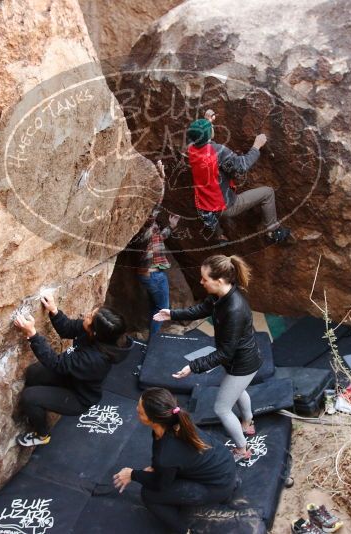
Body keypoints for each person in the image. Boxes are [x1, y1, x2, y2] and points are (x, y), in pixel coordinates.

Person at [153, 255, 261, 461]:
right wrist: (172, 314)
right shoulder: (220, 296)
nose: (201, 282)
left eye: (204, 279)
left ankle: (242, 450)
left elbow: (224, 353)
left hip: (242, 363)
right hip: (239, 360)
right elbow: (201, 309)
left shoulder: (234, 309)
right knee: (238, 391)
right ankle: (248, 422)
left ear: (219, 281)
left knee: (221, 408)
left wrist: (193, 367)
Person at [112, 387, 237, 534]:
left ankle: (184, 531)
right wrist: (156, 467)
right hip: (225, 468)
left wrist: (132, 474)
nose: (136, 409)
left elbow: (161, 485)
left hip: (218, 486)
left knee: (149, 495)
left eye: (140, 412)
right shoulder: (178, 424)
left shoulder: (167, 453)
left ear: (152, 419)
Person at [13, 294, 130, 446]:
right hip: (72, 378)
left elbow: (55, 363)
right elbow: (68, 328)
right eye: (93, 312)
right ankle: (39, 407)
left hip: (78, 397)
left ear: (94, 332)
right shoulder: (96, 332)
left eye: (90, 317)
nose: (87, 315)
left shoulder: (94, 360)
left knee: (29, 396)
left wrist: (32, 334)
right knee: (33, 373)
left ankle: (42, 435)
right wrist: (54, 310)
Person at [185, 117, 290, 244]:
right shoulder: (218, 151)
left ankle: (220, 237)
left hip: (203, 204)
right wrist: (256, 146)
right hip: (224, 206)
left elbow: (195, 138)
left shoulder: (191, 149)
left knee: (213, 216)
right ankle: (273, 231)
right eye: (211, 128)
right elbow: (241, 167)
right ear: (209, 134)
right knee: (268, 193)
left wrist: (207, 122)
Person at [134, 161, 180, 339]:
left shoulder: (146, 232)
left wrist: (171, 226)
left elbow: (158, 239)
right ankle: (154, 341)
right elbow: (156, 206)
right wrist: (162, 179)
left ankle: (151, 336)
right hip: (153, 274)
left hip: (147, 273)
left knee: (156, 307)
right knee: (163, 309)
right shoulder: (144, 226)